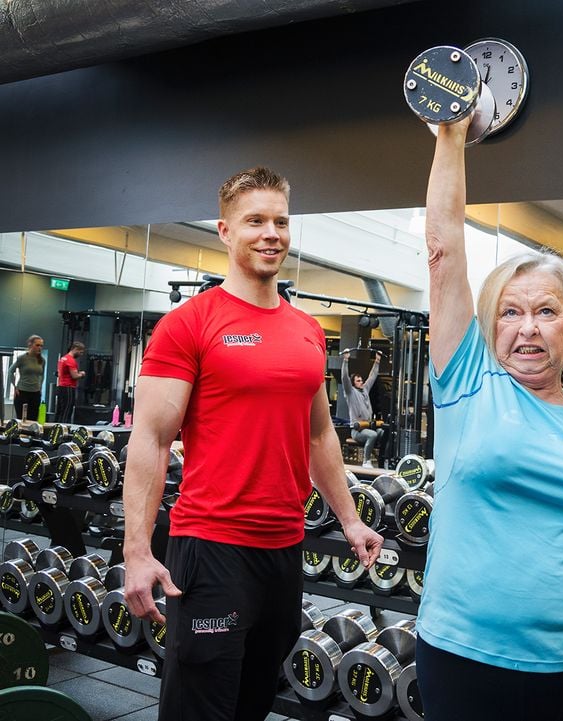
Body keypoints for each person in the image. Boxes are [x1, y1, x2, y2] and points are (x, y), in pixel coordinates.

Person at [415, 117, 563, 721]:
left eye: (546, 311)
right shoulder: (470, 383)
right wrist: (450, 138)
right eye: (511, 312)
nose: (527, 327)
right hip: (465, 657)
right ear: (491, 325)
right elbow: (444, 251)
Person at [122, 166, 383, 721]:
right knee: (200, 705)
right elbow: (150, 439)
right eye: (256, 221)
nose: (272, 234)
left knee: (254, 701)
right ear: (224, 231)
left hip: (283, 549)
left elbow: (318, 434)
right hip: (212, 545)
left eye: (281, 222)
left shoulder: (308, 330)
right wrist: (138, 552)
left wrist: (351, 518)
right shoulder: (189, 324)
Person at [341, 349, 384, 467]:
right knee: (373, 435)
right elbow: (344, 377)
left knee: (382, 432)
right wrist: (345, 360)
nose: (361, 382)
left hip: (368, 426)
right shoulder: (350, 392)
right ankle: (366, 461)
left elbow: (372, 376)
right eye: (358, 381)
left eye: (361, 380)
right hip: (357, 430)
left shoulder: (365, 389)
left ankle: (380, 459)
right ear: (353, 383)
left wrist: (377, 361)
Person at [6, 335, 45, 421]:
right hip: (22, 392)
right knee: (21, 419)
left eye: (41, 345)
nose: (40, 348)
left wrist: (40, 387)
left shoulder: (42, 360)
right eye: (37, 345)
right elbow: (10, 371)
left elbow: (42, 375)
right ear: (30, 345)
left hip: (35, 393)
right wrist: (15, 386)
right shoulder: (22, 358)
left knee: (33, 419)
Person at [55, 341, 86, 423]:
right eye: (80, 352)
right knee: (67, 410)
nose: (81, 354)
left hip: (61, 387)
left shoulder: (63, 358)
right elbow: (75, 376)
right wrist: (82, 374)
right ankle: (64, 429)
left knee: (60, 410)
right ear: (75, 349)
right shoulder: (70, 360)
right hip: (68, 388)